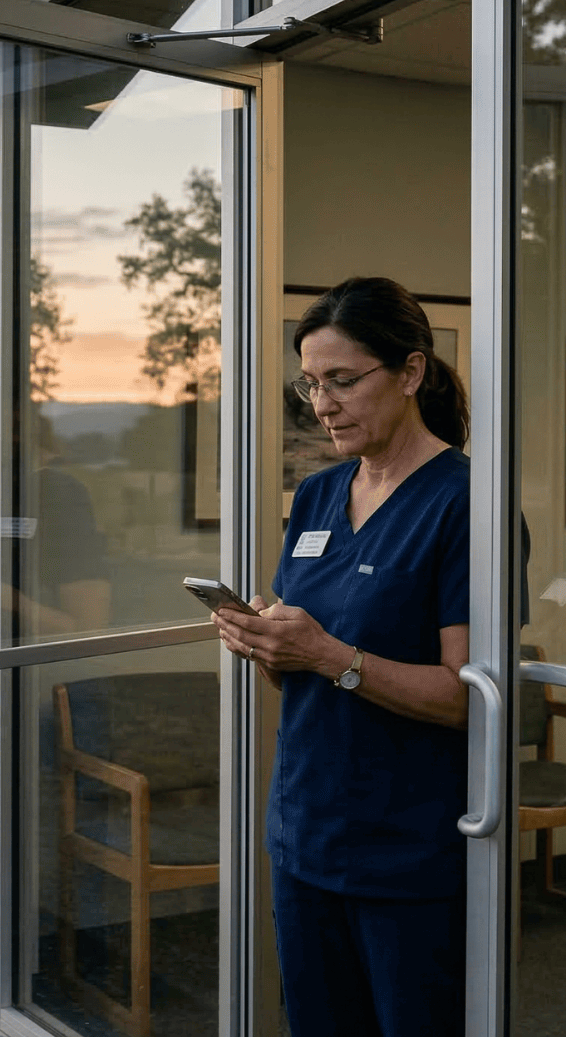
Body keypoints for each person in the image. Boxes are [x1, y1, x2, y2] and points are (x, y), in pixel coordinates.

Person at [212, 276, 498, 1037]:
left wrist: (330, 653)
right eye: (311, 385)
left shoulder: (467, 505)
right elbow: (302, 662)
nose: (324, 403)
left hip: (405, 850)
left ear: (410, 373)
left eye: (343, 381)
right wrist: (267, 642)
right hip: (306, 830)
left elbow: (467, 700)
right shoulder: (316, 496)